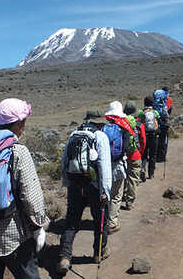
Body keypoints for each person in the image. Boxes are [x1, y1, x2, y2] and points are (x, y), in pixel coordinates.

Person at [0, 98, 49, 279]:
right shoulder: (17, 151)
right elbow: (32, 197)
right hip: (15, 237)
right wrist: (39, 227)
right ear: (18, 123)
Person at [57, 110, 112, 274]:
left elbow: (64, 161)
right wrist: (106, 191)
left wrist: (67, 183)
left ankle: (65, 256)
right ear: (99, 123)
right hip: (94, 186)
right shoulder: (100, 137)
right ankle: (98, 253)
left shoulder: (74, 134)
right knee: (100, 219)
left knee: (71, 221)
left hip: (75, 185)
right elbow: (104, 165)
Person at [103, 101, 130, 234]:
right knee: (116, 195)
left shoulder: (103, 127)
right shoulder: (124, 127)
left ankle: (103, 220)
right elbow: (126, 147)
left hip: (104, 167)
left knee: (105, 194)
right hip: (118, 166)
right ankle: (112, 222)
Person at [123, 100, 146, 209]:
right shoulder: (139, 124)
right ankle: (129, 201)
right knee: (132, 178)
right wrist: (140, 152)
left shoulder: (120, 123)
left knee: (123, 177)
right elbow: (143, 141)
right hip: (135, 154)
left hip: (122, 155)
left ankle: (121, 196)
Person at [137, 96, 160, 180]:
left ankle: (142, 169)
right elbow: (159, 120)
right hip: (154, 135)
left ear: (144, 103)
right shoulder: (155, 112)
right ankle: (151, 173)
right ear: (152, 103)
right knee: (152, 155)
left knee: (144, 154)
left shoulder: (141, 112)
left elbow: (138, 122)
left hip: (144, 135)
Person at [153, 88, 169, 163]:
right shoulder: (165, 100)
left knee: (156, 137)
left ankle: (155, 155)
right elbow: (168, 110)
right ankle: (162, 157)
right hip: (163, 120)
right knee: (163, 138)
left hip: (156, 120)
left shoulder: (155, 102)